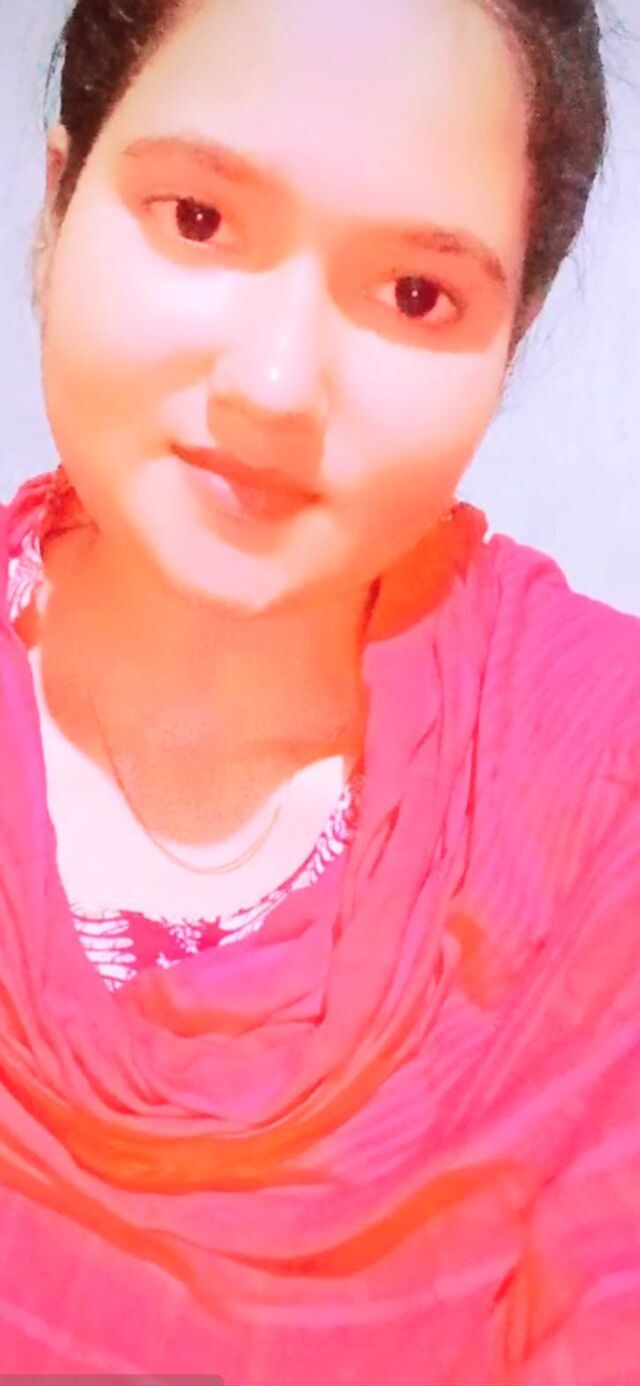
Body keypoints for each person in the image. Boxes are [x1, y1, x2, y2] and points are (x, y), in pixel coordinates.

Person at [0, 0, 639, 1379]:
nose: (279, 386)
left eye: (416, 295)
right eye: (198, 220)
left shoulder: (602, 793)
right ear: (59, 198)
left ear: (510, 340)